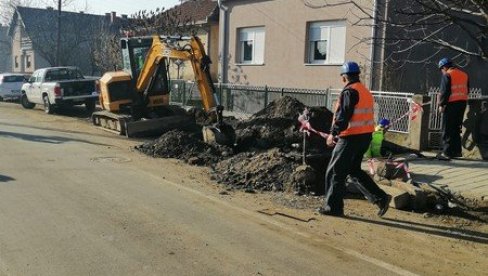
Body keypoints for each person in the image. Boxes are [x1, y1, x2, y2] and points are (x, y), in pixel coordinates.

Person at [318, 61, 391, 217]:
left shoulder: (349, 92)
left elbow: (343, 116)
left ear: (344, 77)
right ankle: (381, 198)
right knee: (354, 170)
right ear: (357, 74)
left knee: (335, 172)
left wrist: (333, 133)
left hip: (350, 137)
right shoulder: (364, 91)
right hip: (364, 136)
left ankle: (333, 208)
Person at [436, 58, 469, 160]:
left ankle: (447, 153)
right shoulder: (464, 74)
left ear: (444, 67)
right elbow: (467, 90)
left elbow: (445, 91)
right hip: (462, 103)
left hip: (451, 104)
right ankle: (457, 152)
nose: (441, 71)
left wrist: (441, 105)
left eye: (441, 69)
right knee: (456, 128)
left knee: (447, 129)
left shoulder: (448, 75)